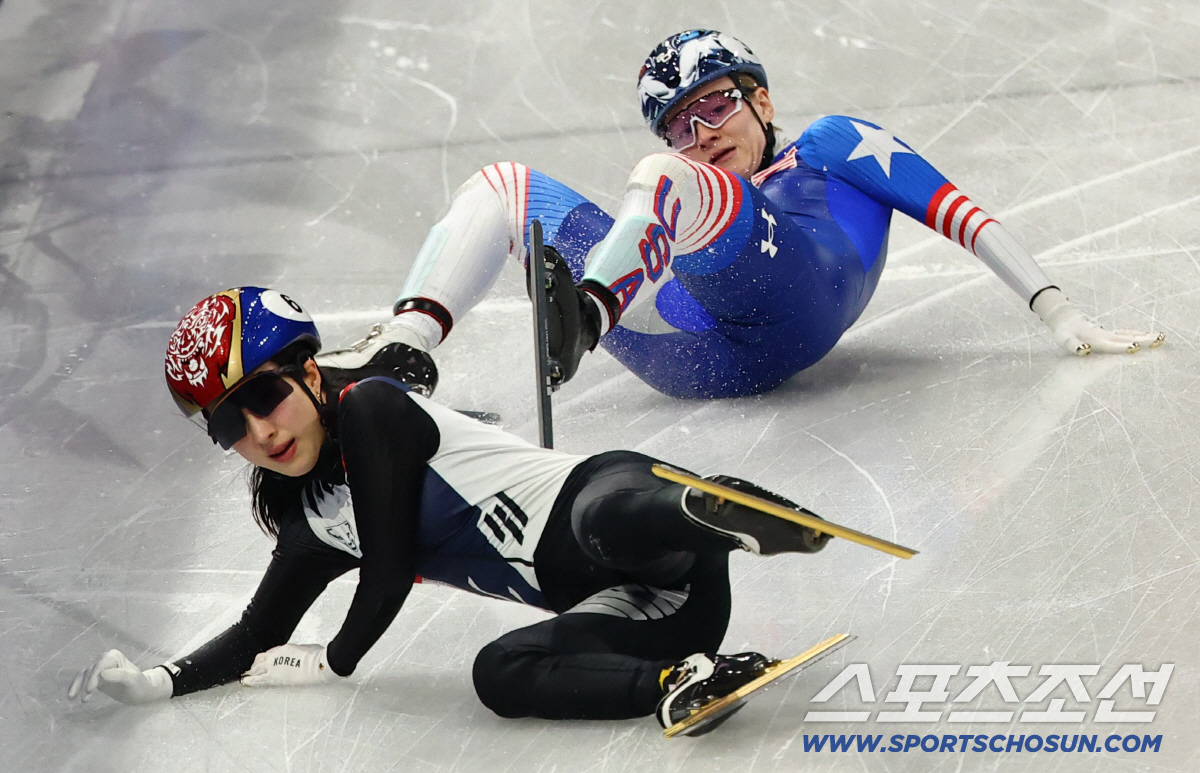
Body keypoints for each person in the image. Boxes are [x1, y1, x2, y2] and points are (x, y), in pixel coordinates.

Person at [67, 286, 838, 735]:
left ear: (308, 372)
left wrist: (337, 657)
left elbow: (392, 567)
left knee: (600, 524)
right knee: (500, 672)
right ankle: (684, 679)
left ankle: (712, 507)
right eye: (231, 425)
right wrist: (160, 680)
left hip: (610, 502)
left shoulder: (373, 409)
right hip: (657, 609)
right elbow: (259, 632)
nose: (260, 431)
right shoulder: (314, 523)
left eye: (264, 397)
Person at [318, 29, 1164, 399]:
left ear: (761, 98)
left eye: (715, 108)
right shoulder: (693, 176)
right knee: (504, 183)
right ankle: (405, 349)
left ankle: (588, 309)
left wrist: (1058, 311)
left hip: (787, 306)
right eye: (680, 126)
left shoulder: (834, 143)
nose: (701, 134)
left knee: (663, 182)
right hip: (678, 346)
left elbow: (960, 212)